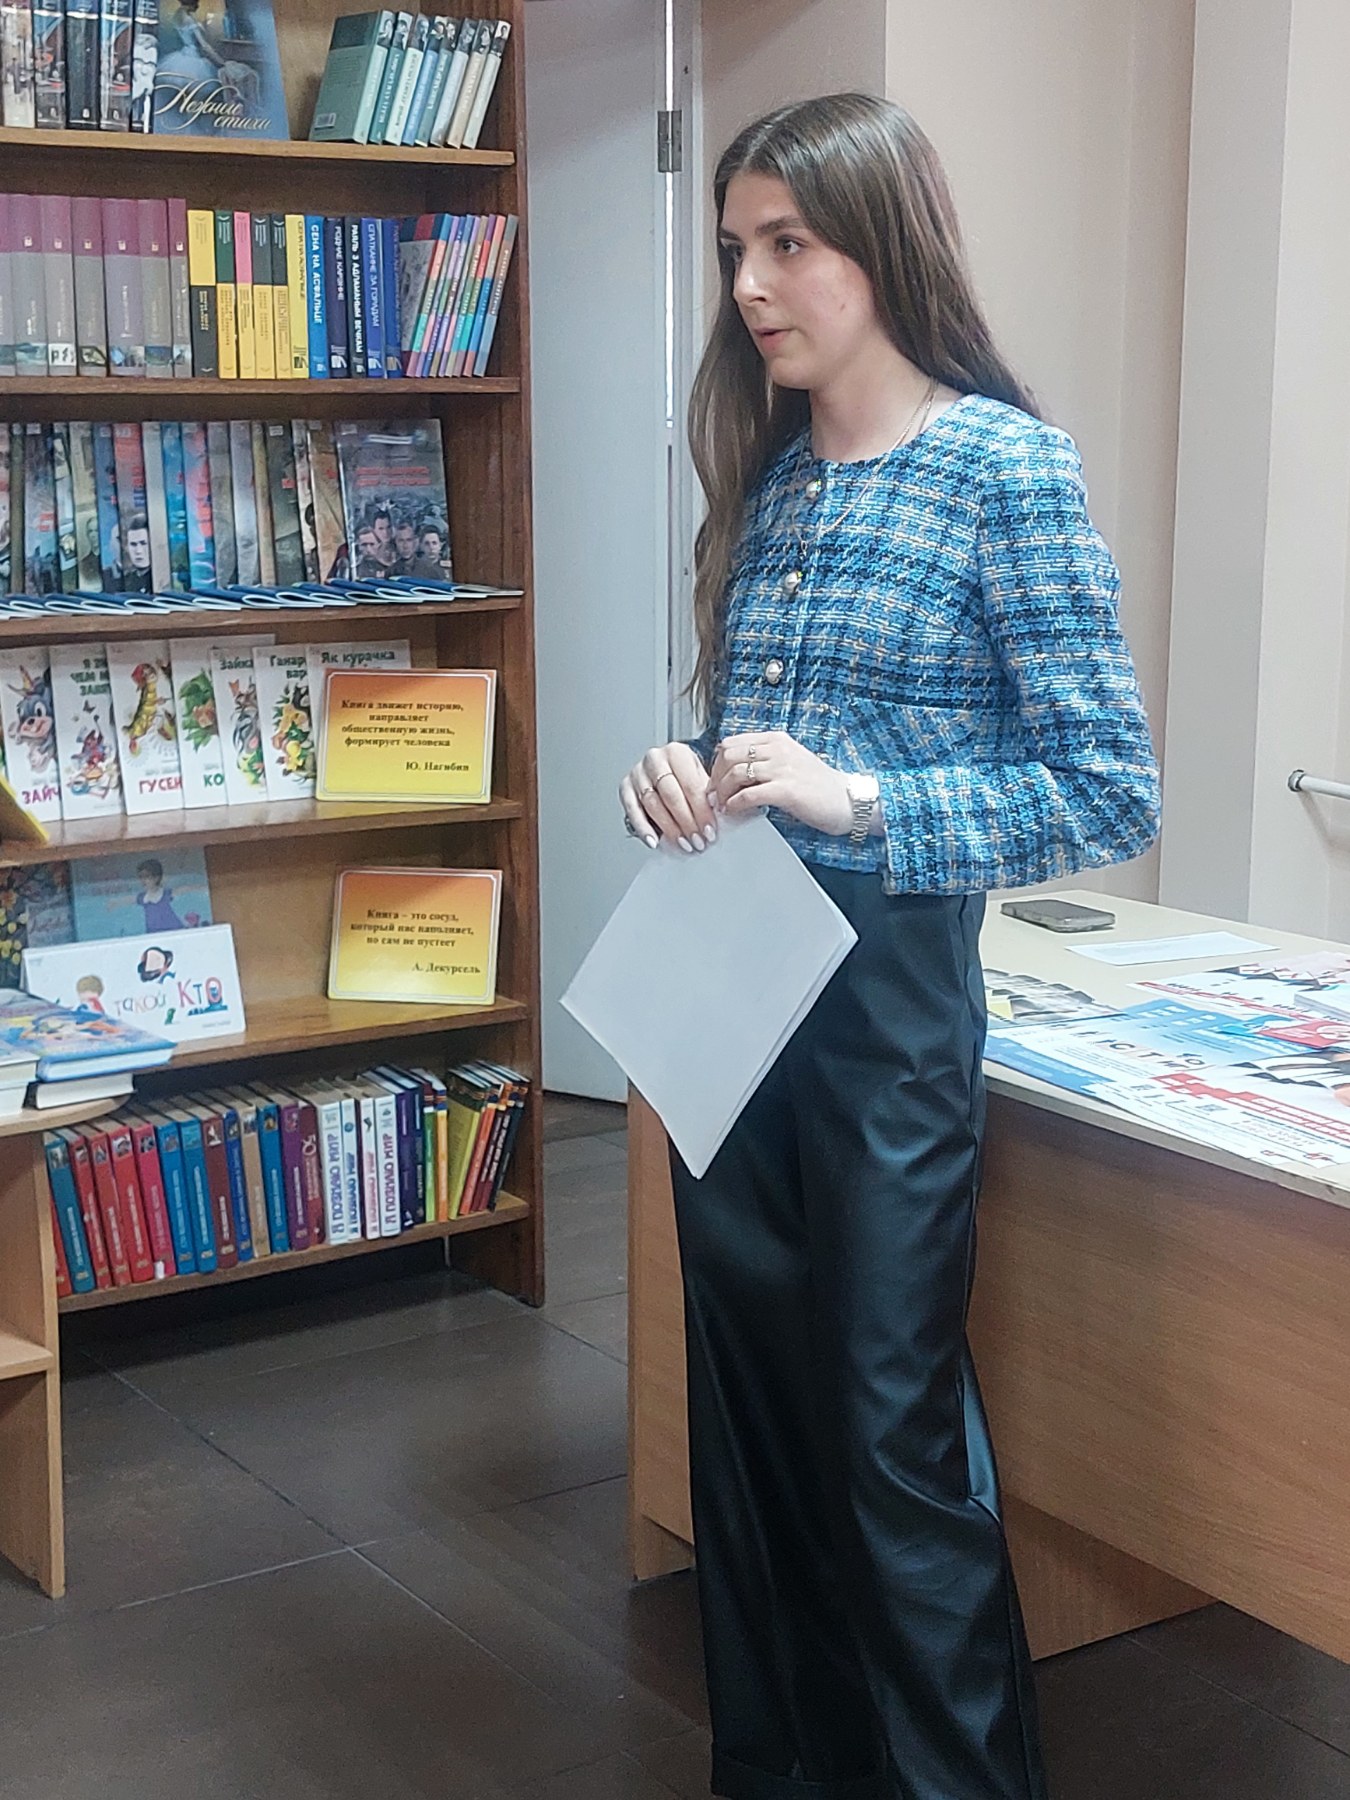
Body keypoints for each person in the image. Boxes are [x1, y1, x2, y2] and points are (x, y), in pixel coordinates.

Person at [618, 94, 1160, 1800]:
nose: (749, 286)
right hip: (728, 998)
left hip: (885, 1020)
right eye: (734, 248)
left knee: (887, 1432)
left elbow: (1104, 787)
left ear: (882, 244)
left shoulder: (1002, 467)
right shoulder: (772, 480)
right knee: (752, 1429)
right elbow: (761, 753)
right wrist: (687, 774)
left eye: (787, 244)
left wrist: (859, 801)